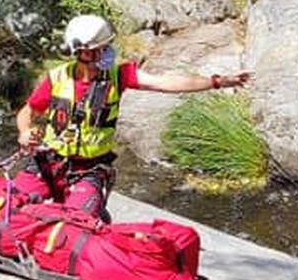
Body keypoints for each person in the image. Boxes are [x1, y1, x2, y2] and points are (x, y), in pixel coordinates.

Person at [15, 14, 249, 218]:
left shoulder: (120, 75)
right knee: (12, 204)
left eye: (107, 46)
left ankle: (91, 209)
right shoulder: (57, 78)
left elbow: (167, 82)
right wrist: (25, 132)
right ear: (82, 52)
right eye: (101, 48)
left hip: (89, 169)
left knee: (76, 222)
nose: (107, 52)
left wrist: (217, 81)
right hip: (47, 163)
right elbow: (27, 112)